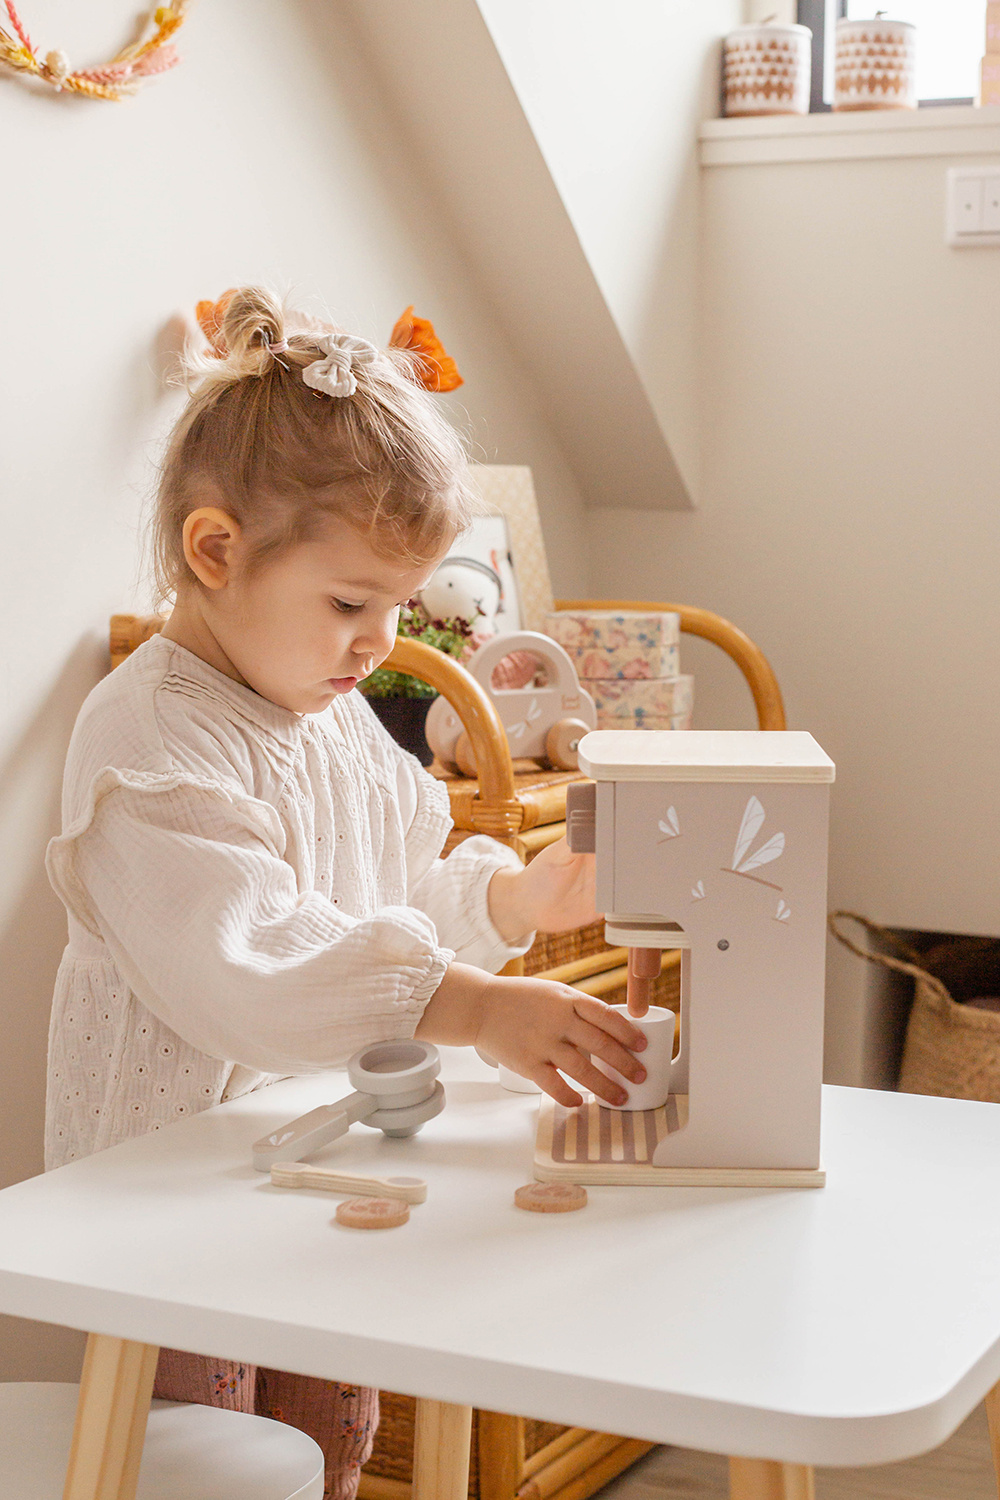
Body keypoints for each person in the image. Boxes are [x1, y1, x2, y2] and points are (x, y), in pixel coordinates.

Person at [44, 286, 646, 1500]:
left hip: (311, 1160)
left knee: (330, 1438)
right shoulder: (151, 739)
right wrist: (471, 1006)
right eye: (348, 604)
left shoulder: (329, 717)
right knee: (207, 1462)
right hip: (165, 1196)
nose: (378, 646)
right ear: (215, 554)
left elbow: (396, 883)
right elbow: (249, 960)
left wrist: (517, 899)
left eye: (398, 609)